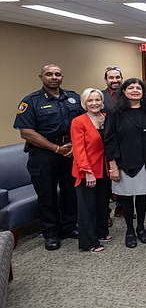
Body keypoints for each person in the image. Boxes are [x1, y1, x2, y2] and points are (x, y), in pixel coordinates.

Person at [13, 64, 82, 251]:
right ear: (41, 77)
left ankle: (68, 227)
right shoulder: (31, 101)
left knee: (70, 192)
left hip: (70, 152)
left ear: (62, 77)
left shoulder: (73, 98)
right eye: (49, 74)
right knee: (47, 195)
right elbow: (26, 132)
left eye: (57, 74)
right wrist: (56, 148)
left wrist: (74, 146)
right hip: (44, 154)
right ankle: (50, 233)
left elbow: (83, 123)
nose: (54, 77)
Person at [105, 78, 146, 248]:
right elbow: (109, 139)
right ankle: (129, 230)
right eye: (131, 88)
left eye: (139, 88)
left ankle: (141, 228)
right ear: (124, 91)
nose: (135, 90)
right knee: (127, 198)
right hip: (124, 163)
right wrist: (112, 165)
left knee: (142, 196)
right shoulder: (115, 112)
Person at [71, 88, 110, 252]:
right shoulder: (78, 122)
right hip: (87, 169)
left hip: (105, 168)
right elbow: (78, 150)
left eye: (97, 100)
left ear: (102, 102)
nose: (94, 103)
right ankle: (89, 242)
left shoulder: (107, 118)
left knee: (102, 203)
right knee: (88, 207)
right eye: (90, 100)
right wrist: (87, 172)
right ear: (84, 103)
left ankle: (101, 231)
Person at [101, 66, 123, 222]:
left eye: (117, 77)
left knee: (122, 176)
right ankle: (105, 212)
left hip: (124, 143)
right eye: (111, 78)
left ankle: (121, 207)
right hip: (104, 142)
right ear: (106, 80)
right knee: (106, 179)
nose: (115, 80)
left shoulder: (127, 94)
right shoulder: (100, 97)